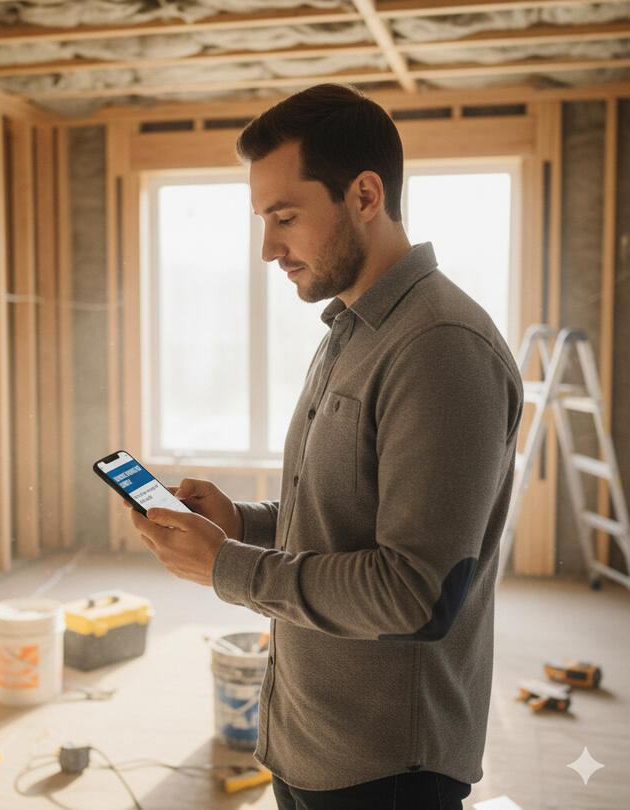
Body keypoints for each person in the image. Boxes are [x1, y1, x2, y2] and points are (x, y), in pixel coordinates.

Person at [130, 83, 524, 810]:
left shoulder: (439, 346)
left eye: (285, 217)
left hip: (385, 768)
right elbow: (345, 518)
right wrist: (240, 522)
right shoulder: (352, 328)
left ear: (365, 196)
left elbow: (415, 594)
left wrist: (227, 567)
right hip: (312, 738)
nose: (268, 249)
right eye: (263, 220)